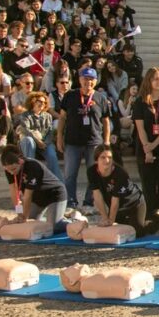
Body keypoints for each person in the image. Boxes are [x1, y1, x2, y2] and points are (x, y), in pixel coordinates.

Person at [57, 66, 112, 211]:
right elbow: (62, 118)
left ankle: (89, 202)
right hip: (72, 141)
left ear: (96, 81)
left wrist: (106, 141)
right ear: (80, 79)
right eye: (85, 78)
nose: (88, 82)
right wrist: (59, 137)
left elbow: (106, 121)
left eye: (91, 79)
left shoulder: (101, 98)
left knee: (93, 174)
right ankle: (70, 203)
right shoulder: (70, 95)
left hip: (94, 142)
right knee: (70, 174)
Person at [86, 144, 159, 235]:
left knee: (138, 232)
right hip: (119, 208)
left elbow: (115, 200)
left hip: (135, 203)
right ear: (96, 160)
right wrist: (105, 218)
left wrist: (111, 221)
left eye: (110, 157)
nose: (107, 160)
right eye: (103, 157)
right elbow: (97, 196)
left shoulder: (120, 173)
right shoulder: (91, 172)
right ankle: (129, 221)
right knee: (121, 230)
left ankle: (156, 219)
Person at [132, 67, 159, 225]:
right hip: (144, 148)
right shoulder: (140, 101)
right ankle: (151, 217)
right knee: (148, 185)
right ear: (149, 81)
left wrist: (154, 145)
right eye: (156, 79)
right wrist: (147, 148)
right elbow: (140, 127)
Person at [0, 145, 68, 230]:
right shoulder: (10, 170)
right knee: (30, 224)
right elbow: (14, 192)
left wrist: (24, 217)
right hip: (37, 198)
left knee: (53, 227)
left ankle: (76, 219)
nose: (11, 173)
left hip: (54, 194)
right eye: (8, 170)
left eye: (13, 169)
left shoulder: (32, 166)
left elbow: (27, 196)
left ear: (20, 162)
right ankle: (52, 219)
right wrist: (19, 214)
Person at [15, 91, 61, 179]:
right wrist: (38, 141)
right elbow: (26, 129)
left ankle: (57, 181)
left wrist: (45, 143)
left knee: (52, 155)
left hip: (44, 143)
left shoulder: (48, 116)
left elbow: (50, 132)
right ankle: (30, 174)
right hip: (29, 143)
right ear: (32, 101)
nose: (42, 104)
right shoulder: (25, 115)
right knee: (29, 140)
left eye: (44, 102)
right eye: (39, 101)